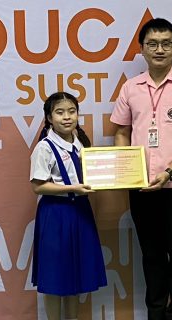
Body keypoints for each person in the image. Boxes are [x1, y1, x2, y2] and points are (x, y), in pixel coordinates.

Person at [110, 18, 172, 320]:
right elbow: (121, 132)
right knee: (151, 253)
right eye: (152, 44)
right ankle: (156, 313)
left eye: (166, 43)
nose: (160, 49)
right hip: (140, 185)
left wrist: (168, 173)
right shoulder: (131, 88)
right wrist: (127, 171)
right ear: (142, 49)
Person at [30, 92, 107, 320]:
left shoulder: (81, 142)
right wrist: (72, 188)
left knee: (75, 272)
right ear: (49, 117)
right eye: (60, 112)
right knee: (54, 275)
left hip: (80, 210)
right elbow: (38, 186)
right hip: (56, 213)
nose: (67, 117)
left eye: (72, 112)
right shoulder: (44, 147)